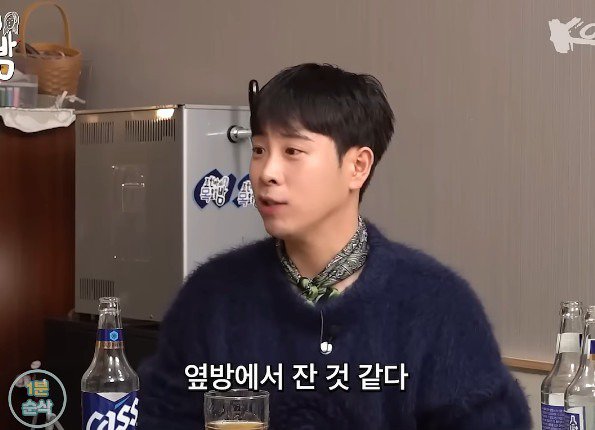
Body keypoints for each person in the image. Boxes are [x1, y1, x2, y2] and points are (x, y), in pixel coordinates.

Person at [137, 63, 531, 430]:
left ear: (358, 166)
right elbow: (162, 418)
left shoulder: (436, 304)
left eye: (292, 151)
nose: (266, 172)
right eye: (258, 150)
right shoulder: (211, 295)